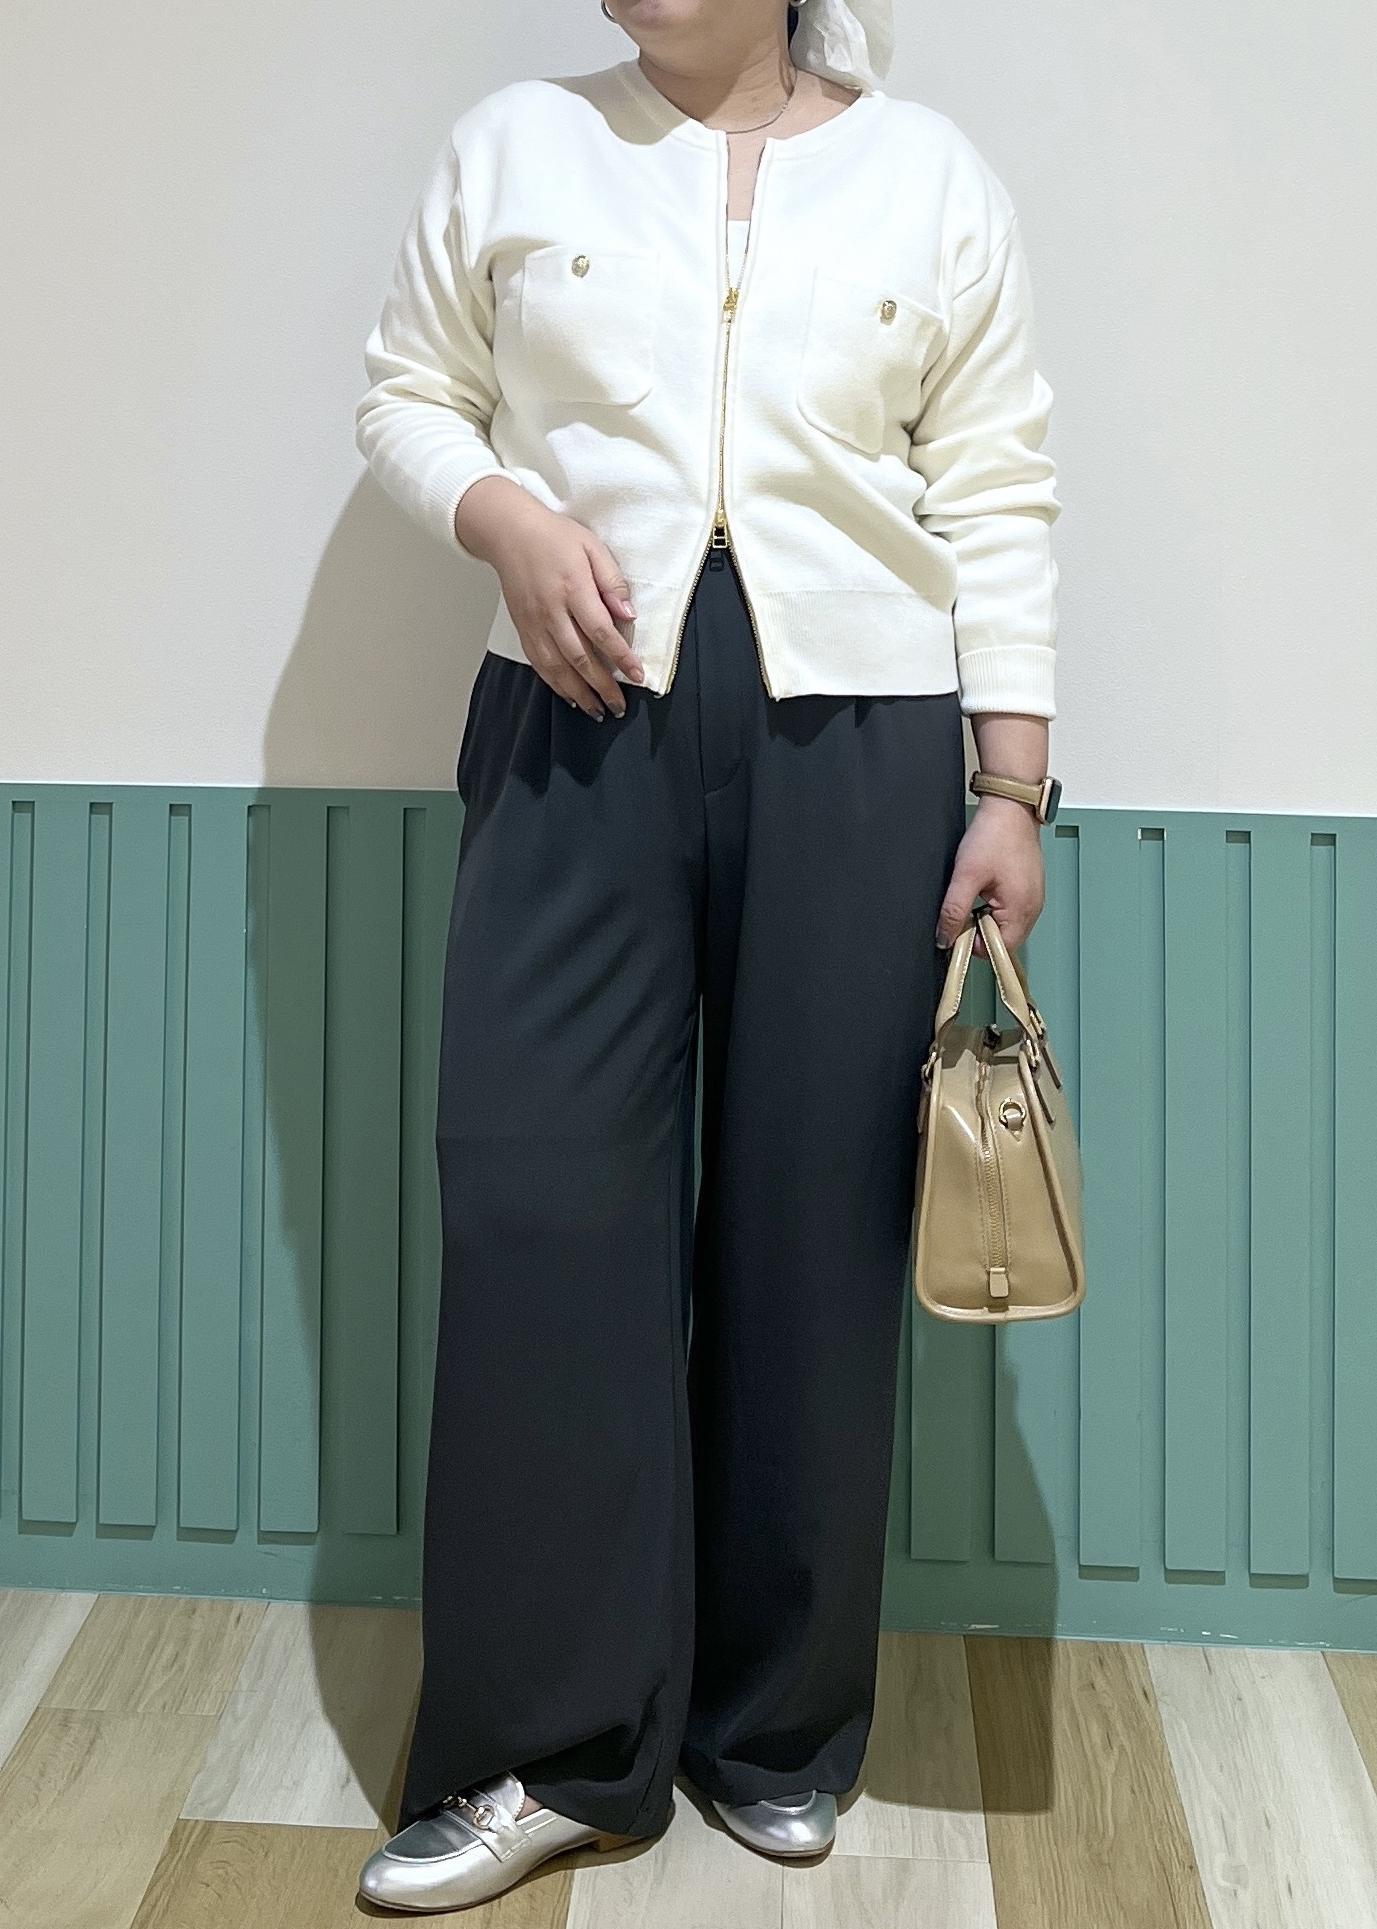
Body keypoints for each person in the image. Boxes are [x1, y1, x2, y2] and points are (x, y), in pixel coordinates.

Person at [354, 0, 1062, 1910]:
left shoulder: (928, 177)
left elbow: (994, 481)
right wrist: (502, 513)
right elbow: (406, 392)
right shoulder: (519, 141)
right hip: (573, 718)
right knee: (538, 1203)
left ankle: (772, 1725)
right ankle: (546, 1746)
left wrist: (1011, 783)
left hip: (862, 740)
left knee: (811, 1222)